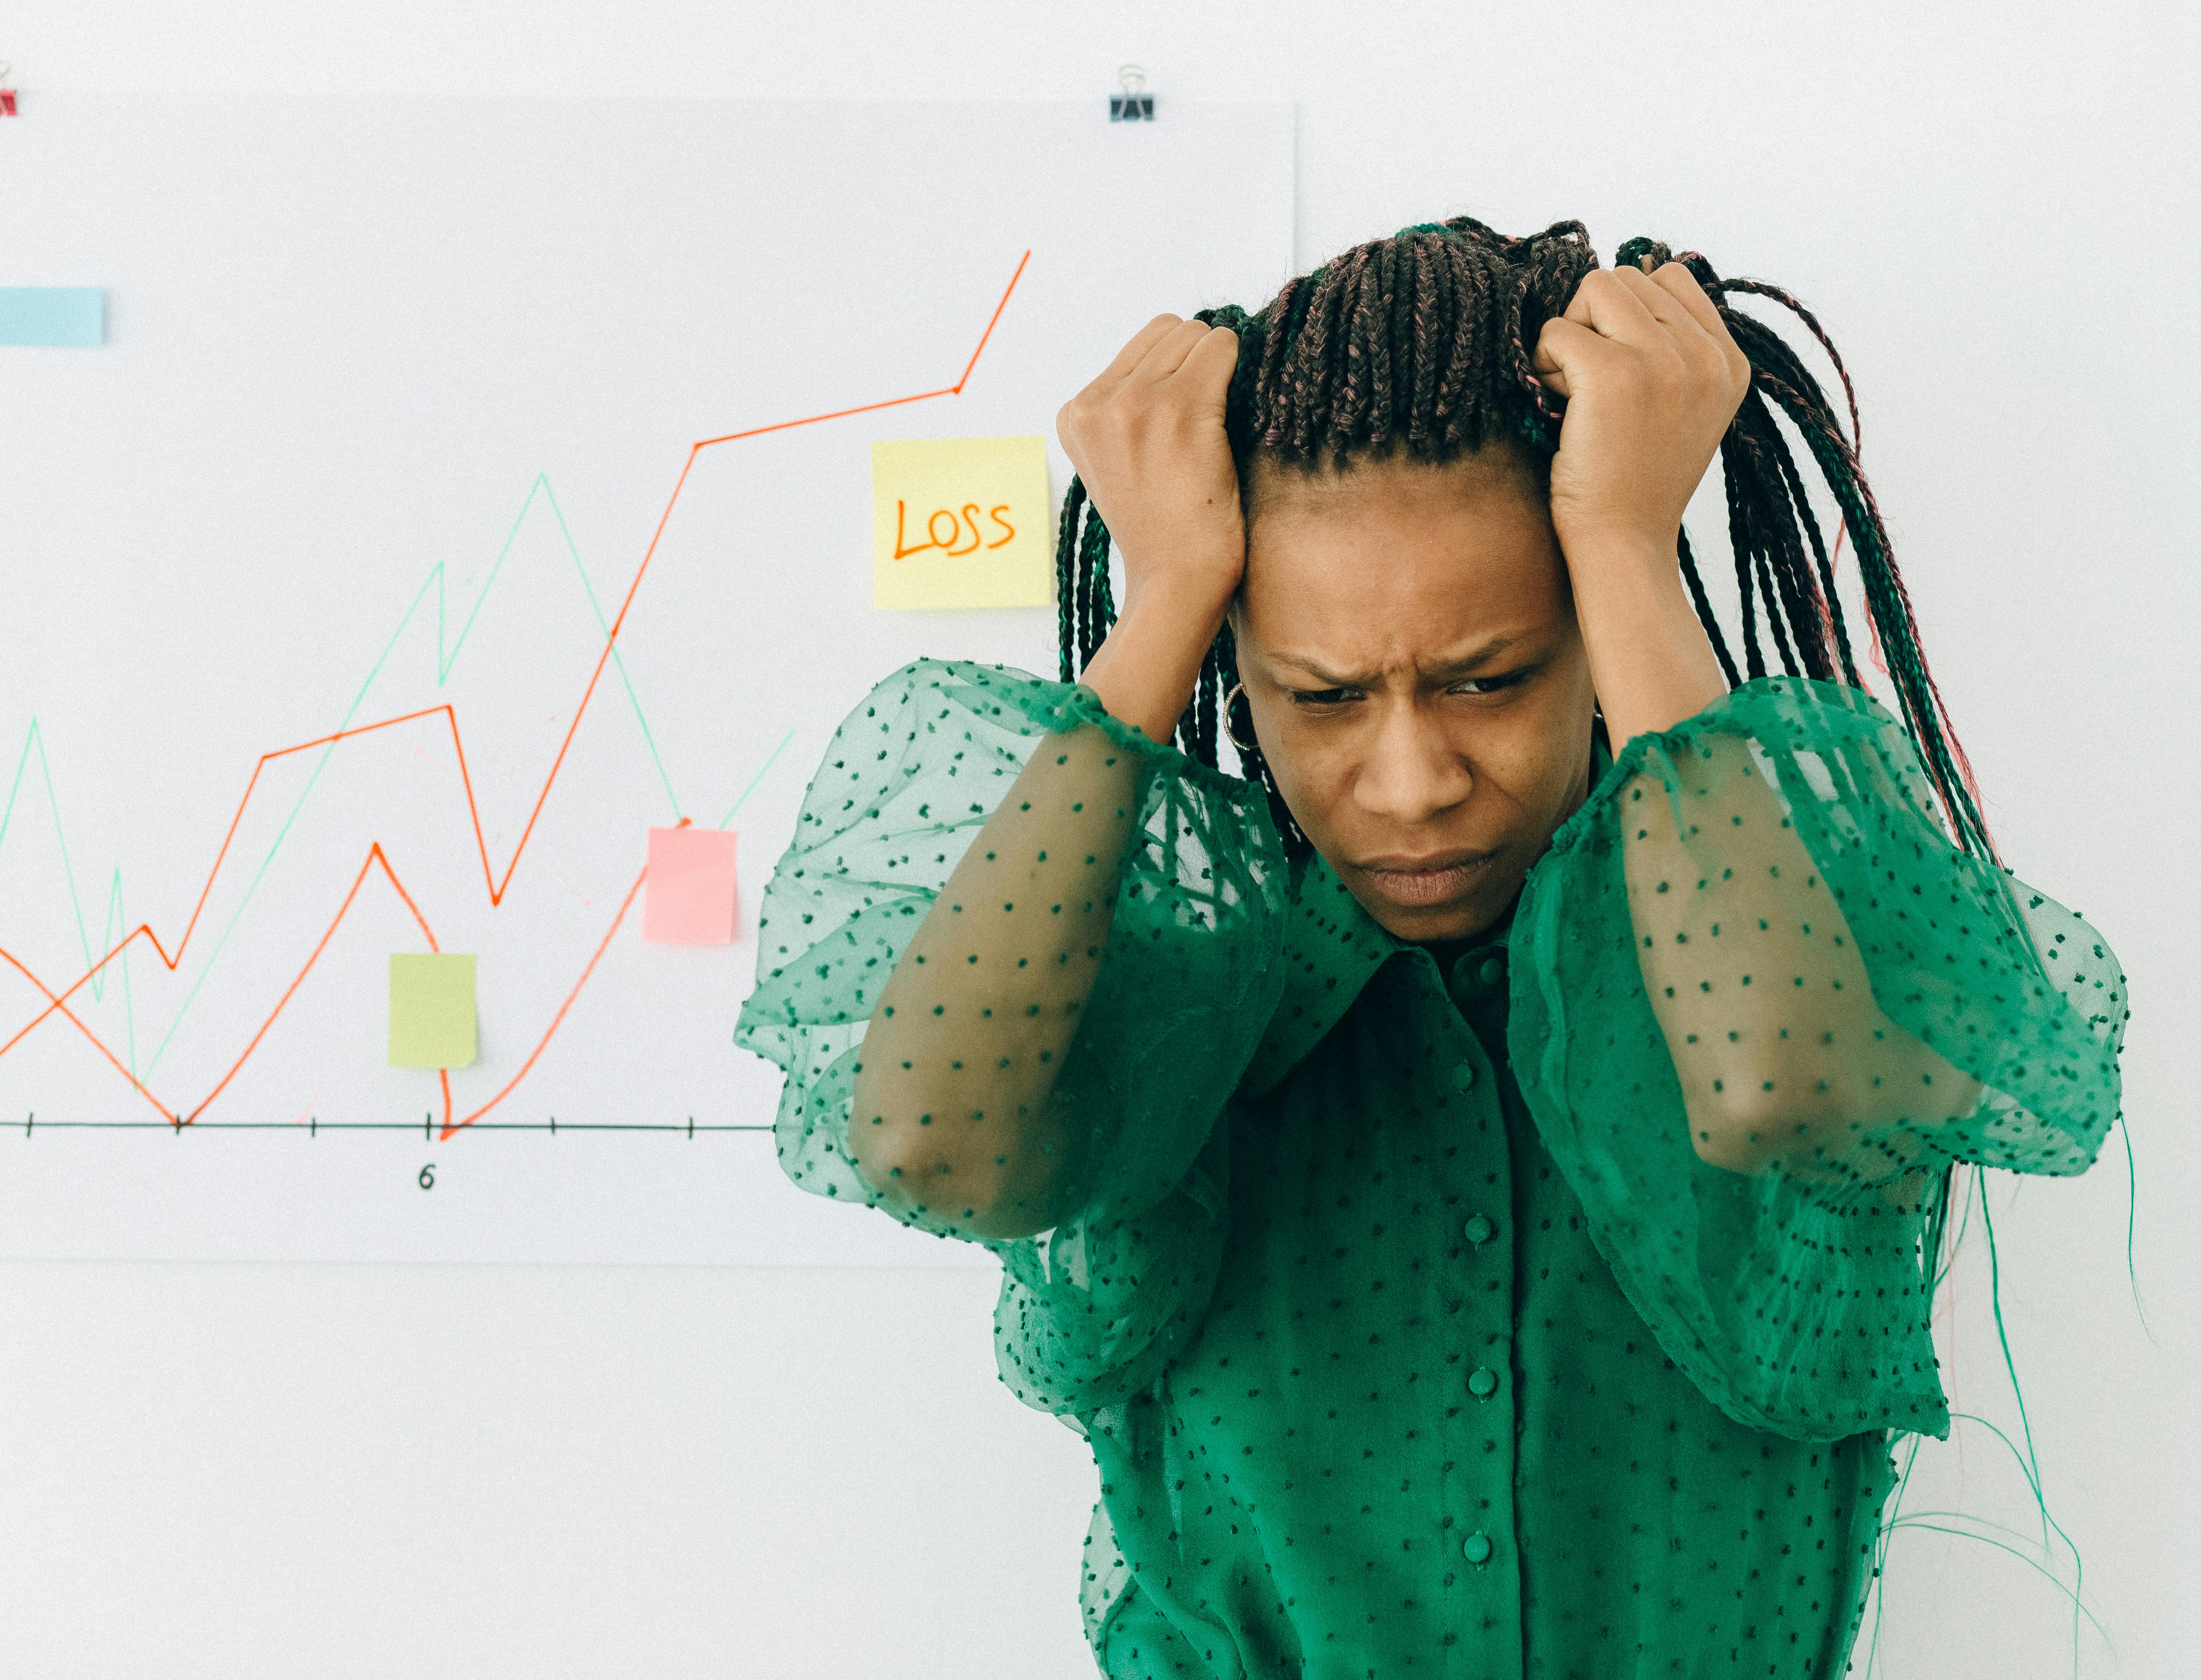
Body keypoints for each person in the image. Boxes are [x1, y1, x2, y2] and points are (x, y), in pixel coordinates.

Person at [734, 219, 2124, 1678]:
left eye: (1492, 678)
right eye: (1323, 698)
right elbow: (918, 1137)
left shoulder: (1798, 947)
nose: (1409, 784)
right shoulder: (1182, 1012)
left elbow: (1778, 1084)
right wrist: (1166, 597)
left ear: (1593, 636)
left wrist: (1626, 541)